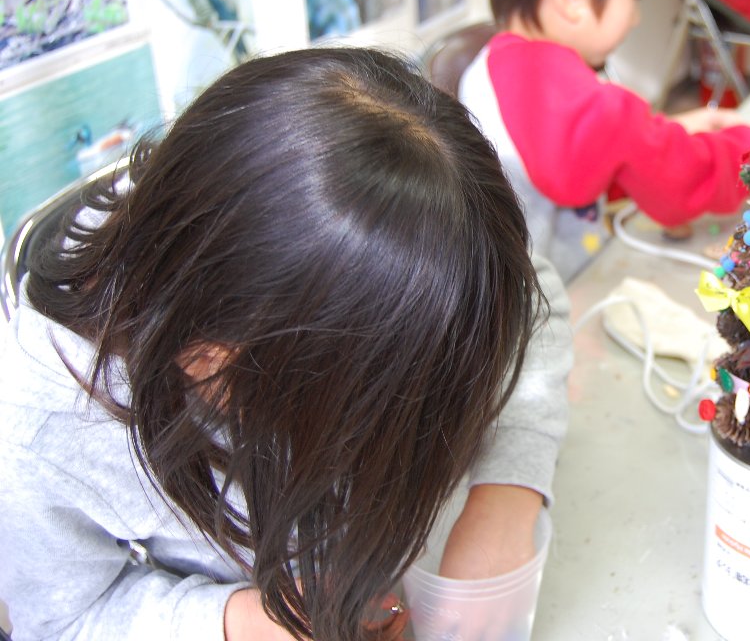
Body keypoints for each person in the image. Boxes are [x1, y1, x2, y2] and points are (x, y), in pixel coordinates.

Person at [0, 47, 572, 641]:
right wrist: (249, 621)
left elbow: (530, 309)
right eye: (378, 414)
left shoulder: (406, 241)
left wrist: (505, 497)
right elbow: (65, 619)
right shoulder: (43, 424)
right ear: (210, 362)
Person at [461, 0, 750, 282]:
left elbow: (587, 157)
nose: (636, 17)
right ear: (573, 0)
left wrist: (661, 130)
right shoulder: (595, 107)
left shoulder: (486, 67)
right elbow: (684, 182)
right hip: (559, 299)